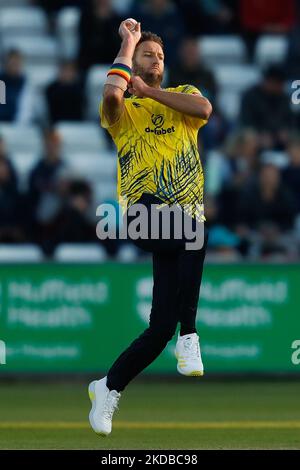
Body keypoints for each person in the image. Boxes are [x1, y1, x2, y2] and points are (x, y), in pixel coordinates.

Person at [88, 20, 212, 437]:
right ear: (134, 63)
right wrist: (128, 42)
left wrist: (152, 90)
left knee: (160, 328)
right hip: (144, 212)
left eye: (159, 56)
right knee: (196, 230)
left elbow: (205, 110)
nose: (155, 59)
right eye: (148, 54)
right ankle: (190, 335)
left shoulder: (182, 96)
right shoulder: (126, 110)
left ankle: (107, 387)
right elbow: (110, 96)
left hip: (180, 216)